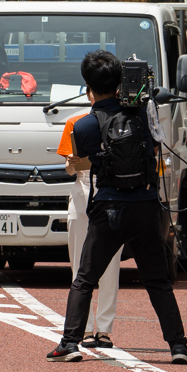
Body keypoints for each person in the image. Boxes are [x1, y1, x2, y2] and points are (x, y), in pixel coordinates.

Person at [47, 50, 187, 364]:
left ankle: (70, 342)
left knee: (85, 277)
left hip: (108, 209)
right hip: (146, 207)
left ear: (88, 86)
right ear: (120, 83)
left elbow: (88, 160)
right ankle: (178, 346)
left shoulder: (83, 126)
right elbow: (158, 141)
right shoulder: (142, 114)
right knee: (157, 282)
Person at [57, 89, 121, 348]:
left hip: (110, 190)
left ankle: (103, 329)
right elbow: (69, 168)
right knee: (79, 262)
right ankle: (82, 328)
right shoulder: (77, 122)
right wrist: (73, 162)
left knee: (111, 262)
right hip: (83, 188)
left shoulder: (121, 120)